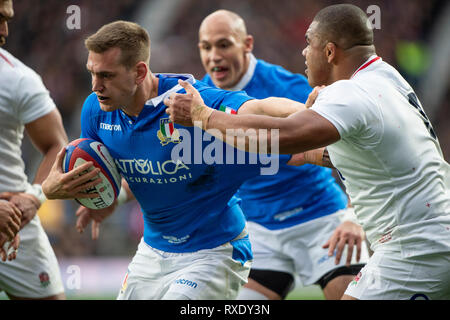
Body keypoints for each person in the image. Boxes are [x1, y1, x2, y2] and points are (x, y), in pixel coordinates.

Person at [165, 4, 450, 300]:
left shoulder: (347, 94)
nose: (303, 52)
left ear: (329, 52)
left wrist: (204, 117)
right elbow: (339, 154)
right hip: (428, 231)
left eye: (308, 43)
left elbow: (281, 137)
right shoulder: (385, 76)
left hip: (412, 245)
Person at [41, 20, 311, 300]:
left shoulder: (191, 102)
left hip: (214, 252)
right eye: (92, 73)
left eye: (107, 75)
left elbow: (258, 107)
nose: (96, 86)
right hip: (152, 251)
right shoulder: (95, 111)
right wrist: (74, 192)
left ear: (139, 72)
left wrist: (312, 113)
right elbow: (131, 170)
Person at [197, 9, 368, 300]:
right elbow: (169, 162)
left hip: (321, 218)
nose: (214, 55)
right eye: (206, 47)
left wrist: (355, 216)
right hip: (257, 231)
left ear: (247, 44)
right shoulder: (199, 98)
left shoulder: (290, 88)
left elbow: (355, 149)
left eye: (224, 44)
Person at [0, 0, 67, 300]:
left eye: (8, 20)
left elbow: (58, 146)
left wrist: (34, 197)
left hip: (14, 220)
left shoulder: (18, 79)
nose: (4, 31)